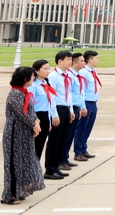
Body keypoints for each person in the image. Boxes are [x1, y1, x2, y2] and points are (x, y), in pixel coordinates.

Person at [1, 66, 45, 205]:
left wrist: (36, 122)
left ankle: (20, 190)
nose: (33, 78)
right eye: (32, 76)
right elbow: (22, 113)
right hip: (15, 133)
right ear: (25, 79)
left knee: (25, 161)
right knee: (14, 163)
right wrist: (33, 124)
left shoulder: (25, 93)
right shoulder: (15, 94)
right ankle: (10, 194)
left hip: (25, 132)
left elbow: (31, 111)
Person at [44, 51, 74, 180]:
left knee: (62, 140)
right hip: (57, 110)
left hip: (66, 109)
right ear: (60, 61)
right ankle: (50, 169)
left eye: (71, 59)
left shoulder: (68, 75)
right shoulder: (53, 76)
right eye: (68, 59)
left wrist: (71, 110)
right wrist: (54, 114)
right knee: (54, 141)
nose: (70, 62)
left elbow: (69, 94)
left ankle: (56, 167)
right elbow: (51, 96)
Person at [61, 52, 87, 170]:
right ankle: (62, 160)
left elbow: (80, 93)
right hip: (71, 108)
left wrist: (82, 107)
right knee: (66, 136)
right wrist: (72, 109)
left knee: (70, 136)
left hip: (76, 107)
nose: (84, 63)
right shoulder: (70, 76)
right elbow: (69, 95)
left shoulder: (77, 75)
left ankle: (65, 158)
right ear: (75, 63)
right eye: (81, 61)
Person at [74, 50, 100, 162]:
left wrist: (96, 103)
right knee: (81, 128)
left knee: (88, 128)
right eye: (96, 58)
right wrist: (83, 106)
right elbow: (82, 90)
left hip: (93, 103)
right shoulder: (84, 72)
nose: (98, 60)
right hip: (86, 103)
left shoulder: (93, 72)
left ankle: (84, 148)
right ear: (90, 60)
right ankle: (78, 151)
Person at [30, 60, 56, 162]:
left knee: (40, 145)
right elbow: (30, 105)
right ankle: (32, 169)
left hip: (45, 116)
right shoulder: (33, 85)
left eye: (48, 68)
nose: (48, 71)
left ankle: (36, 168)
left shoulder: (46, 83)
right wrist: (34, 121)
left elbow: (48, 104)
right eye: (45, 69)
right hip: (36, 117)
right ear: (36, 71)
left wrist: (49, 121)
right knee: (35, 146)